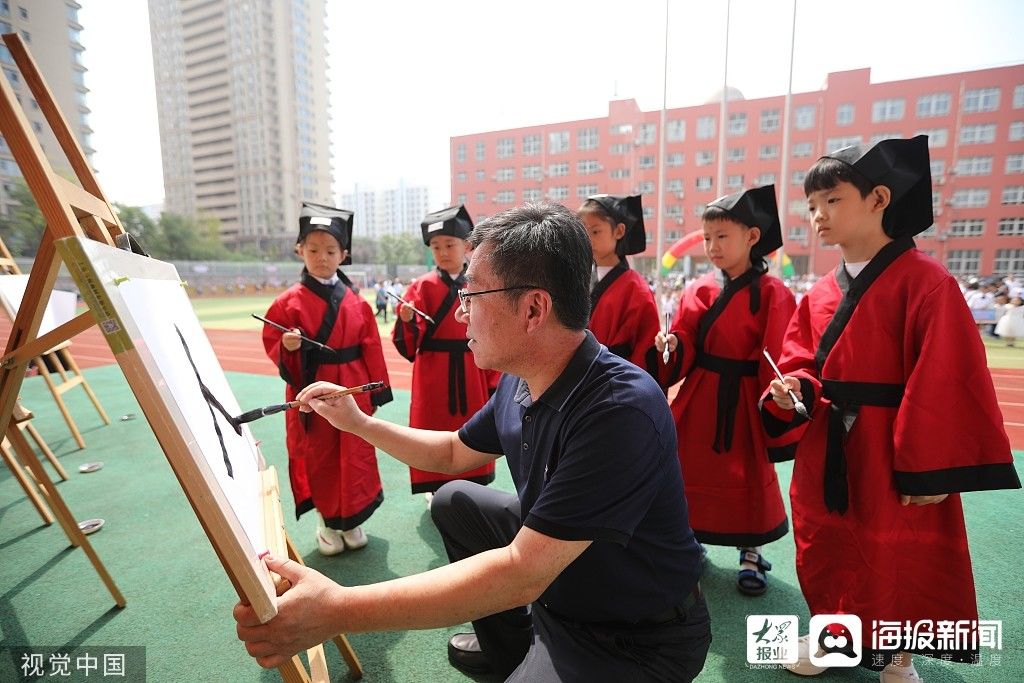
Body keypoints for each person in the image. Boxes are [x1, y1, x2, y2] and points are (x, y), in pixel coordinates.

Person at [235, 203, 710, 682]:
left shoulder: (618, 410)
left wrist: (337, 608)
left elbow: (521, 571)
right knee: (454, 499)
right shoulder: (523, 376)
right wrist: (358, 423)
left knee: (517, 572)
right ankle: (517, 647)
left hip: (630, 635)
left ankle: (541, 652)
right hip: (563, 580)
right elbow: (453, 453)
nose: (461, 312)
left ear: (533, 309)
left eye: (472, 294)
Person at [762, 136, 1021, 682]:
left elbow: (948, 380)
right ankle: (835, 640)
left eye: (832, 200)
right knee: (824, 541)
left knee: (892, 551)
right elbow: (802, 361)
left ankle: (897, 656)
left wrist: (929, 466)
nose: (817, 216)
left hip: (890, 446)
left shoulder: (928, 282)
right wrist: (795, 390)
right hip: (826, 444)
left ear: (879, 198)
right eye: (811, 206)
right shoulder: (818, 294)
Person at [655, 185, 795, 596]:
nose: (713, 246)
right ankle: (691, 542)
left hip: (747, 398)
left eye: (723, 236)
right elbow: (687, 338)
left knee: (747, 472)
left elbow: (779, 352)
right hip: (701, 396)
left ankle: (750, 552)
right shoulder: (698, 288)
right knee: (689, 469)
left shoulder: (774, 293)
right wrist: (674, 344)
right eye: (708, 238)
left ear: (753, 237)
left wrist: (778, 392)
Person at [260, 201, 393, 556]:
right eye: (313, 249)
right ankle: (326, 523)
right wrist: (289, 346)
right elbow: (275, 344)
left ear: (343, 254)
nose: (322, 257)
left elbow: (371, 348)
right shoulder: (287, 302)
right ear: (299, 250)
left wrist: (377, 391)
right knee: (319, 456)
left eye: (330, 250)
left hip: (351, 387)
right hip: (312, 391)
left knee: (355, 454)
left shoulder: (357, 300)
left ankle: (352, 520)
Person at [392, 204, 499, 501]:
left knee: (474, 424)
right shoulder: (421, 286)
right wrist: (407, 320)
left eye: (449, 244)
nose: (442, 252)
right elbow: (408, 343)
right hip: (433, 373)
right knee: (432, 425)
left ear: (466, 245)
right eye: (435, 246)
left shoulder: (481, 281)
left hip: (472, 365)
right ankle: (435, 484)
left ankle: (473, 480)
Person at [577, 194, 661, 378]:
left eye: (595, 231)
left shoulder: (637, 289)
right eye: (583, 232)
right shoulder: (577, 278)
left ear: (619, 231)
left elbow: (644, 348)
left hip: (615, 381)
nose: (587, 239)